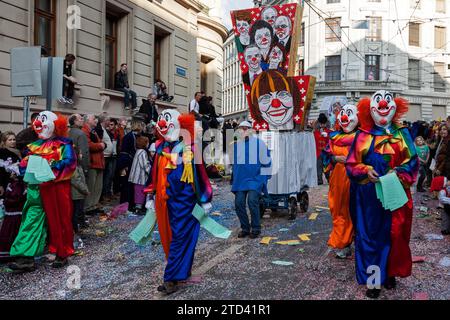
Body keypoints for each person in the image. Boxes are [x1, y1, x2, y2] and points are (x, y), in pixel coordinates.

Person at [346, 90, 419, 299]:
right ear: (370, 110)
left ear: (395, 107)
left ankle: (390, 273)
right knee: (370, 238)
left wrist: (399, 173)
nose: (383, 105)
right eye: (378, 102)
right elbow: (351, 164)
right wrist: (365, 171)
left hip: (396, 193)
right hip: (370, 196)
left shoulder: (402, 133)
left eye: (388, 101)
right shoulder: (362, 135)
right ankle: (374, 281)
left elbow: (413, 161)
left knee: (395, 235)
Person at [147, 109, 213, 294]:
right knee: (171, 238)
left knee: (180, 238)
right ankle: (182, 271)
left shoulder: (191, 148)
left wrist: (205, 198)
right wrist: (151, 194)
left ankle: (170, 279)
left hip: (186, 202)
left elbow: (201, 175)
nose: (161, 125)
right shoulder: (161, 149)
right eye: (161, 121)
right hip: (165, 201)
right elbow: (153, 174)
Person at [12, 111, 77, 270]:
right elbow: (25, 165)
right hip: (36, 189)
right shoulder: (34, 146)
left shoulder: (63, 144)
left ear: (56, 125)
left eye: (43, 120)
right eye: (37, 121)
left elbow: (70, 164)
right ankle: (26, 257)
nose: (38, 124)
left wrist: (52, 167)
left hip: (56, 189)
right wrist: (24, 169)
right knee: (31, 220)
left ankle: (61, 253)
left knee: (59, 220)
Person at [322, 105, 358, 259]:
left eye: (349, 114)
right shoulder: (334, 137)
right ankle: (343, 243)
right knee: (339, 211)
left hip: (358, 178)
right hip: (338, 180)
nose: (345, 118)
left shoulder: (363, 137)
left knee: (356, 211)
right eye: (342, 114)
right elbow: (326, 156)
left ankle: (358, 242)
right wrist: (335, 158)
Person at [231, 121, 271, 239]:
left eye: (245, 128)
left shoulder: (260, 144)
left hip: (255, 179)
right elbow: (234, 163)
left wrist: (264, 178)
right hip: (240, 180)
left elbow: (267, 161)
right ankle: (245, 228)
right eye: (241, 129)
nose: (243, 131)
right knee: (238, 203)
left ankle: (256, 228)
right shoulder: (236, 145)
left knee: (252, 202)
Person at [0, 132, 25, 262]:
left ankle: (15, 248)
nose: (13, 142)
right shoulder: (2, 153)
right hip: (6, 188)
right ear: (4, 141)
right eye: (10, 140)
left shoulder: (18, 153)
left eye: (14, 139)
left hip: (17, 188)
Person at [117, 118, 145, 207]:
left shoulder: (134, 136)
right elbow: (125, 151)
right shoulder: (129, 136)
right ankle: (125, 203)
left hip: (129, 162)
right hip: (126, 163)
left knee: (129, 184)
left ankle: (129, 203)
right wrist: (125, 165)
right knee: (126, 184)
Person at [82, 114, 106, 215]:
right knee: (91, 186)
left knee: (98, 186)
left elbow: (100, 142)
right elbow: (89, 145)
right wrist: (100, 145)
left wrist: (101, 144)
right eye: (93, 119)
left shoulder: (93, 131)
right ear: (87, 120)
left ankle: (94, 205)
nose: (96, 120)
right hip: (92, 162)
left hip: (98, 162)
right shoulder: (85, 130)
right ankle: (88, 207)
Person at [71, 147, 89, 242]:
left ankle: (77, 231)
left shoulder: (78, 166)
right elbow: (76, 180)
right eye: (80, 153)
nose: (82, 155)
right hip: (76, 194)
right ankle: (75, 232)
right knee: (75, 214)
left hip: (79, 194)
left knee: (78, 212)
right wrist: (85, 190)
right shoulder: (74, 167)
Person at [128, 135, 150, 215]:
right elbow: (144, 165)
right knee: (140, 192)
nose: (148, 144)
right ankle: (138, 208)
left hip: (136, 176)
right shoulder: (142, 152)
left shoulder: (138, 151)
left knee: (138, 191)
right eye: (147, 142)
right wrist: (151, 170)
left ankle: (137, 207)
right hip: (140, 177)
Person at [99, 115, 114, 203]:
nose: (109, 122)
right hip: (104, 156)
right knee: (104, 178)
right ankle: (101, 197)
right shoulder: (100, 129)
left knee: (107, 177)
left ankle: (104, 194)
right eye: (108, 120)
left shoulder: (106, 130)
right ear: (104, 120)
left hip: (108, 156)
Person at [314, 113, 331, 185]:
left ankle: (329, 179)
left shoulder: (329, 132)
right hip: (318, 153)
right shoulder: (315, 132)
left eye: (324, 123)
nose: (322, 125)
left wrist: (327, 136)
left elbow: (330, 141)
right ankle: (319, 180)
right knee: (319, 168)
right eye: (321, 123)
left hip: (326, 153)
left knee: (326, 168)